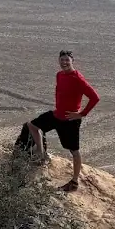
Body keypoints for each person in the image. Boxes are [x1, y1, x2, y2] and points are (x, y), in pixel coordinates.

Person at [16, 50, 100, 191]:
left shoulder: (78, 78)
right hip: (56, 115)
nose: (64, 62)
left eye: (67, 60)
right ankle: (41, 154)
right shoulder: (59, 75)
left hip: (70, 120)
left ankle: (74, 182)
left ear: (72, 61)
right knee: (32, 126)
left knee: (74, 151)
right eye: (62, 60)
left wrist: (81, 114)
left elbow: (95, 97)